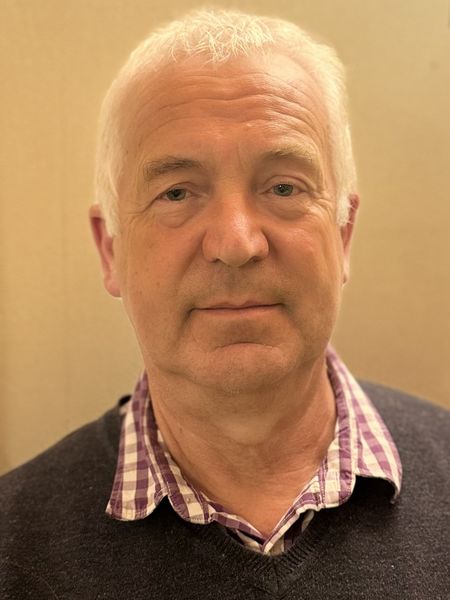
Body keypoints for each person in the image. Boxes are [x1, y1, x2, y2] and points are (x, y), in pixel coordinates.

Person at [0, 9, 448, 599]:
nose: (236, 244)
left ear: (342, 235)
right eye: (176, 193)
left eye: (284, 187)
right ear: (111, 249)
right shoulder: (13, 549)